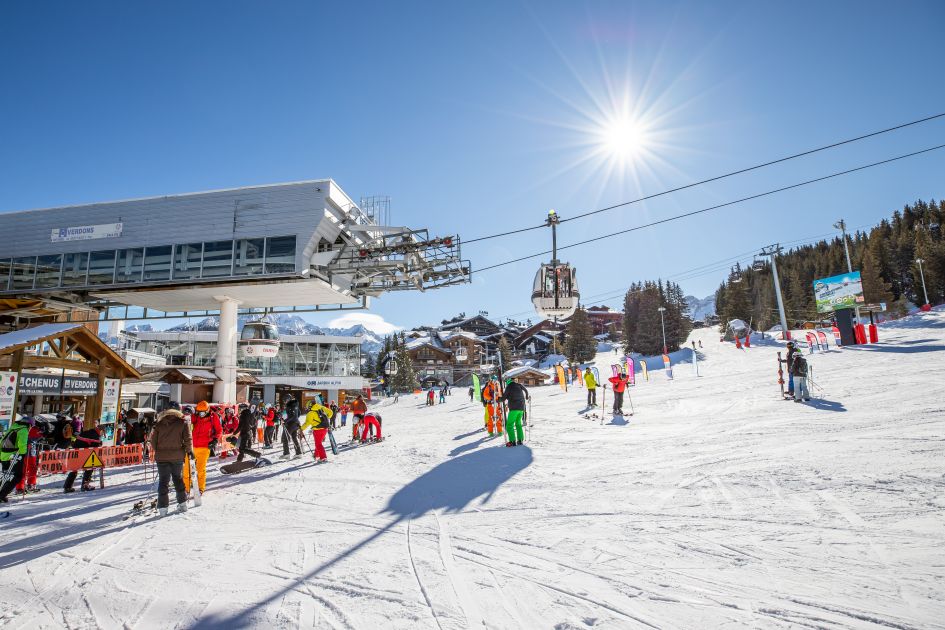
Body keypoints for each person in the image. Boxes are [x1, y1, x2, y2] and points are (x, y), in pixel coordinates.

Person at [150, 403, 193, 516]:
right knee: (178, 479)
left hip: (162, 457)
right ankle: (182, 503)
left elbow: (153, 442)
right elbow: (188, 439)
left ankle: (163, 508)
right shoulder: (183, 423)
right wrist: (188, 451)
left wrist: (160, 450)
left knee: (163, 481)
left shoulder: (159, 424)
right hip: (177, 456)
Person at [184, 403, 219, 495]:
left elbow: (219, 430)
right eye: (199, 412)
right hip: (192, 447)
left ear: (207, 410)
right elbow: (188, 421)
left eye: (202, 413)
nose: (201, 414)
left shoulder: (213, 417)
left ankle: (200, 488)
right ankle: (186, 488)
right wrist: (188, 413)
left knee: (200, 469)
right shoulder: (196, 416)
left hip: (204, 447)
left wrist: (215, 440)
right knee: (186, 469)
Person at [0, 416, 32, 503]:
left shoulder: (13, 428)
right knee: (17, 476)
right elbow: (22, 444)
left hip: (4, 455)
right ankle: (1, 495)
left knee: (5, 475)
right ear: (29, 424)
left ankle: (1, 493)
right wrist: (23, 454)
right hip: (14, 456)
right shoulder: (23, 430)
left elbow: (1, 441)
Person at [64, 423, 102, 493]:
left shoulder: (87, 432)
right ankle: (85, 486)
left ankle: (67, 487)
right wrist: (99, 444)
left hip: (75, 452)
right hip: (84, 453)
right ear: (100, 430)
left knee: (74, 469)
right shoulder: (95, 436)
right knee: (89, 468)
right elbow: (95, 447)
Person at [15, 421, 44, 494]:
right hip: (30, 453)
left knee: (23, 470)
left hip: (21, 452)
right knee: (32, 468)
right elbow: (41, 436)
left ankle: (20, 488)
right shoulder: (33, 429)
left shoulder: (20, 428)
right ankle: (31, 485)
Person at [500, 379, 529, 447]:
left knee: (509, 425)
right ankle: (520, 440)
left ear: (508, 383)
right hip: (521, 408)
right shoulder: (519, 385)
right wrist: (527, 397)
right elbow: (526, 391)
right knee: (518, 424)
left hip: (514, 409)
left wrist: (498, 399)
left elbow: (504, 398)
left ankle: (512, 441)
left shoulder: (509, 386)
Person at [281, 395, 303, 460]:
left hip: (291, 424)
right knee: (294, 438)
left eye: (285, 400)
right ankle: (298, 453)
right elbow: (299, 413)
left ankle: (286, 453)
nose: (284, 402)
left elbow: (293, 416)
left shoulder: (291, 405)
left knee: (285, 438)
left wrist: (285, 421)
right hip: (296, 423)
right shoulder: (295, 404)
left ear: (288, 399)